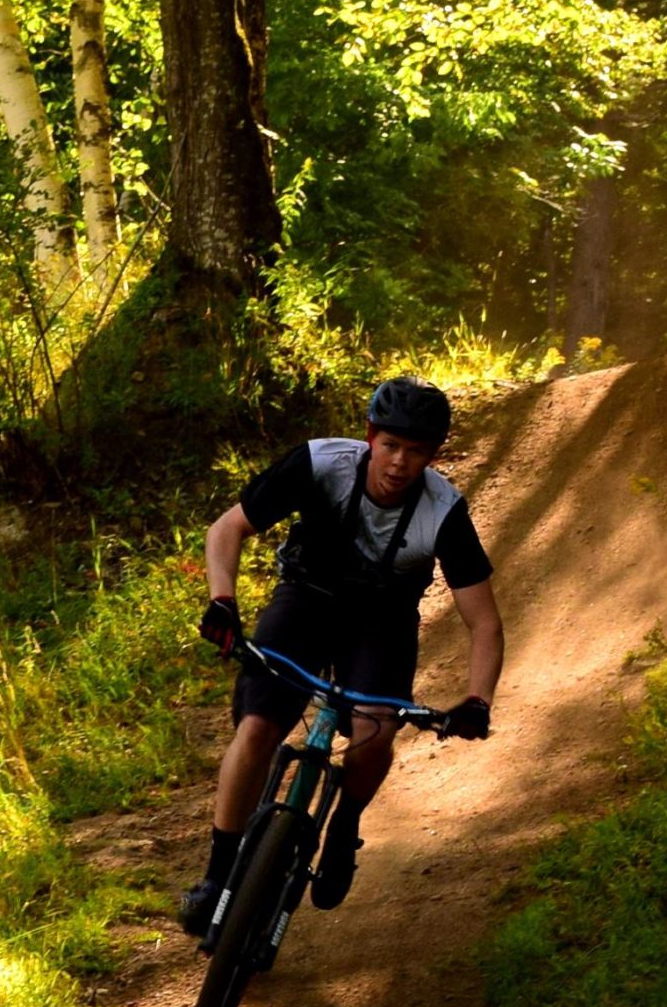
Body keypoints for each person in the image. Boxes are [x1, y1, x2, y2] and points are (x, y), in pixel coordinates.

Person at [176, 376, 502, 938]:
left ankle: (344, 824)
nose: (400, 462)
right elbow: (228, 528)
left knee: (374, 732)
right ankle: (217, 875)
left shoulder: (443, 510)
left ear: (434, 454)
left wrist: (477, 700)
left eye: (417, 451)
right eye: (391, 445)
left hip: (382, 621)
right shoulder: (319, 463)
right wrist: (222, 602)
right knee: (256, 729)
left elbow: (485, 621)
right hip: (306, 599)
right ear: (369, 436)